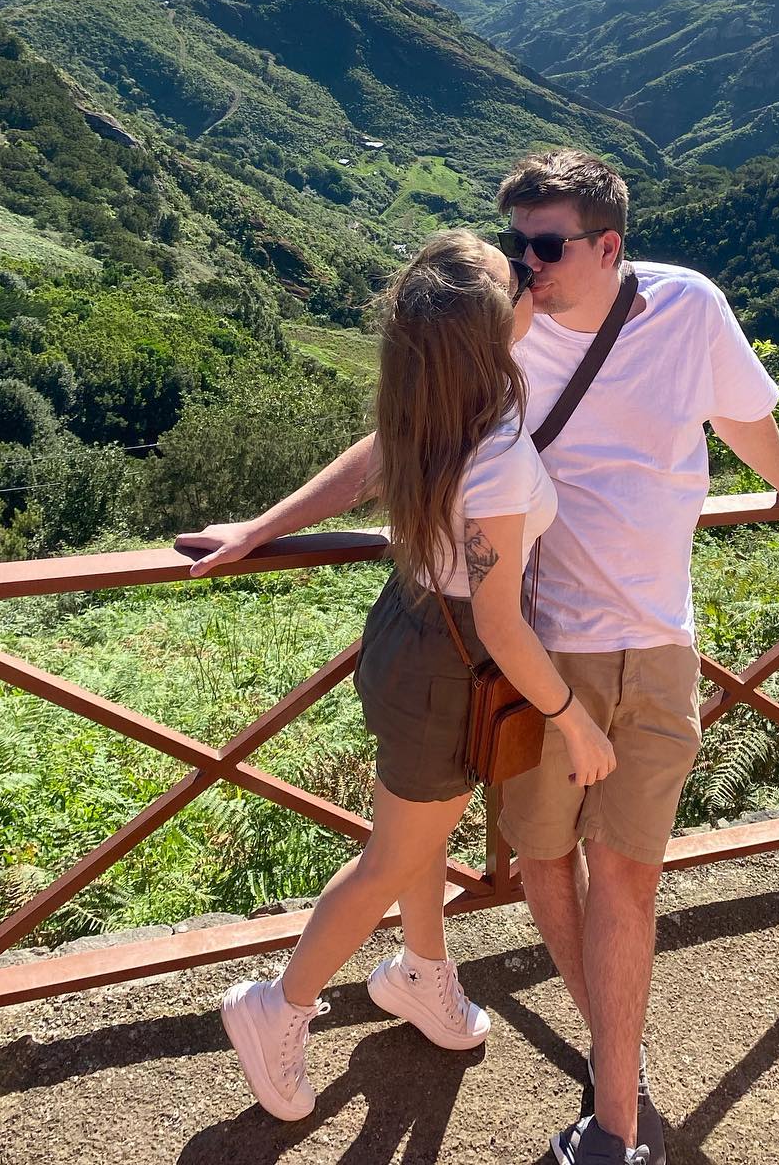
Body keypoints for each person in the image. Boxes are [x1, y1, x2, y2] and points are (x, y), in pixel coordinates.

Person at [185, 152, 779, 1165]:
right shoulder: (508, 338)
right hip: (517, 655)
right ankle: (329, 1004)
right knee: (496, 857)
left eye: (545, 246)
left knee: (592, 871)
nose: (527, 266)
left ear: (607, 245)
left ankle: (571, 1076)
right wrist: (260, 530)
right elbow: (399, 442)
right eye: (515, 246)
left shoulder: (686, 309)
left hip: (632, 640)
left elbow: (743, 416)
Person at [179, 231, 619, 1127]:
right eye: (512, 276)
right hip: (451, 661)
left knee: (419, 833)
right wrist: (574, 721)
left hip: (410, 634)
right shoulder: (491, 449)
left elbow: (373, 456)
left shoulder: (445, 403)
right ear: (489, 331)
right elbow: (498, 616)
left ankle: (422, 974)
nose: (528, 274)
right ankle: (278, 1007)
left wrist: (261, 527)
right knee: (393, 855)